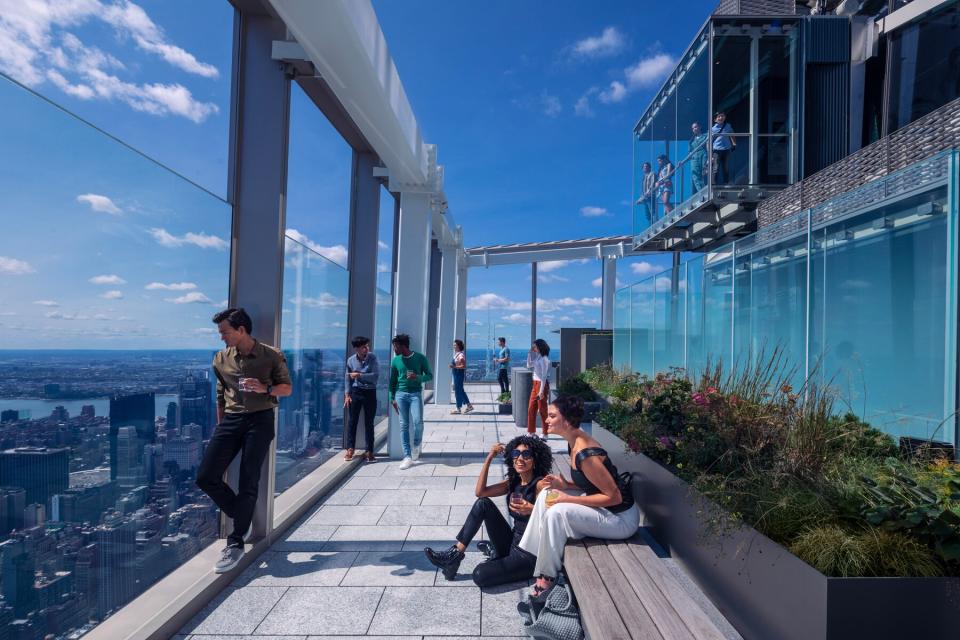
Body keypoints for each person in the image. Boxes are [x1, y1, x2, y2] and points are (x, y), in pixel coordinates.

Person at [197, 308, 293, 574]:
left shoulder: (271, 355)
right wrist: (222, 426)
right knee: (205, 477)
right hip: (230, 421)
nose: (221, 338)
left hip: (259, 420)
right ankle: (243, 517)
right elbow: (220, 394)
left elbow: (287, 388)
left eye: (225, 332)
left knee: (249, 480)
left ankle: (236, 541)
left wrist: (265, 389)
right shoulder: (220, 358)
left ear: (241, 330)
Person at [519, 395, 639, 599]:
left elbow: (614, 497)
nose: (546, 420)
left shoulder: (585, 453)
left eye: (552, 416)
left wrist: (568, 498)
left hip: (621, 520)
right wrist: (567, 486)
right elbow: (593, 484)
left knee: (557, 511)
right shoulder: (573, 442)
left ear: (566, 421)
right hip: (605, 510)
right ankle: (533, 555)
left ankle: (547, 576)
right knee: (548, 493)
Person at [424, 435, 553, 587]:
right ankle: (455, 555)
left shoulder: (540, 485)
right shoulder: (514, 482)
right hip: (512, 542)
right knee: (483, 503)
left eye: (526, 454)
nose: (520, 458)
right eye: (515, 454)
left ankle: (496, 555)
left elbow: (554, 516)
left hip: (528, 554)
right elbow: (481, 492)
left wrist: (532, 509)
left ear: (535, 459)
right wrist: (490, 457)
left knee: (479, 574)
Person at [388, 333, 433, 470]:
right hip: (400, 395)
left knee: (418, 421)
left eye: (395, 346)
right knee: (403, 425)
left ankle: (416, 445)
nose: (394, 349)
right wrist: (392, 398)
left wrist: (417, 377)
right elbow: (392, 382)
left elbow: (429, 376)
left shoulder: (420, 358)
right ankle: (407, 456)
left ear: (402, 346)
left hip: (415, 394)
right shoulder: (395, 361)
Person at [344, 336, 379, 462]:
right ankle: (350, 449)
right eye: (364, 347)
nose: (367, 348)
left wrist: (359, 375)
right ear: (357, 348)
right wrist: (347, 394)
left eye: (367, 346)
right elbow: (347, 378)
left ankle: (369, 451)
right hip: (356, 392)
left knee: (369, 423)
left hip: (370, 392)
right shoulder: (350, 360)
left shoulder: (372, 358)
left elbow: (375, 376)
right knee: (352, 422)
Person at [526, 339, 551, 438]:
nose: (533, 348)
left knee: (542, 410)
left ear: (540, 347)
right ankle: (531, 431)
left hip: (541, 385)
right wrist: (529, 354)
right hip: (535, 384)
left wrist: (541, 391)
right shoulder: (538, 357)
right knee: (531, 408)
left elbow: (544, 376)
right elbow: (528, 365)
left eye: (535, 347)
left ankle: (545, 433)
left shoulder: (545, 359)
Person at [711, 111, 736, 185]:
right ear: (715, 119)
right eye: (719, 116)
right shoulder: (712, 129)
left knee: (726, 167)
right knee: (716, 168)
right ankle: (714, 184)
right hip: (716, 150)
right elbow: (709, 141)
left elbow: (732, 134)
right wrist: (711, 153)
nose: (721, 117)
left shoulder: (728, 126)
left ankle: (726, 183)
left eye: (722, 116)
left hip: (726, 150)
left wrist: (734, 144)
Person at [450, 339, 474, 415]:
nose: (453, 346)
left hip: (458, 374)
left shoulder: (460, 355)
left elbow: (463, 366)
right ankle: (468, 406)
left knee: (458, 391)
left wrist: (454, 366)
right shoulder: (457, 354)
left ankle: (458, 408)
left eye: (455, 345)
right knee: (460, 390)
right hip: (457, 374)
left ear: (458, 346)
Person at [689, 121, 708, 193]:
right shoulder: (691, 141)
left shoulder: (705, 136)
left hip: (703, 155)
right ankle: (701, 192)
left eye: (696, 127)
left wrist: (710, 157)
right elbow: (690, 153)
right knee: (695, 175)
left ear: (700, 127)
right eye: (693, 128)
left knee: (705, 172)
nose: (694, 129)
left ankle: (707, 190)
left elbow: (708, 147)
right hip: (694, 158)